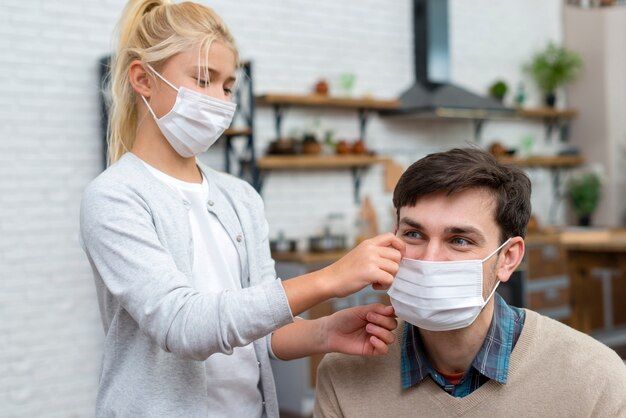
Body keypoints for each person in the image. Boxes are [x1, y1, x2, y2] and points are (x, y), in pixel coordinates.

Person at [79, 1, 404, 416]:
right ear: (143, 78)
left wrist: (324, 332)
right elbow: (184, 326)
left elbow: (260, 331)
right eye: (203, 79)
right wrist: (330, 278)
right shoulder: (114, 197)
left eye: (228, 86)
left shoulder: (240, 197)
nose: (218, 100)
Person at [314, 148, 626, 417]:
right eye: (413, 234)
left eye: (459, 240)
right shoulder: (344, 371)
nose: (429, 259)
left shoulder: (594, 377)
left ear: (508, 259)